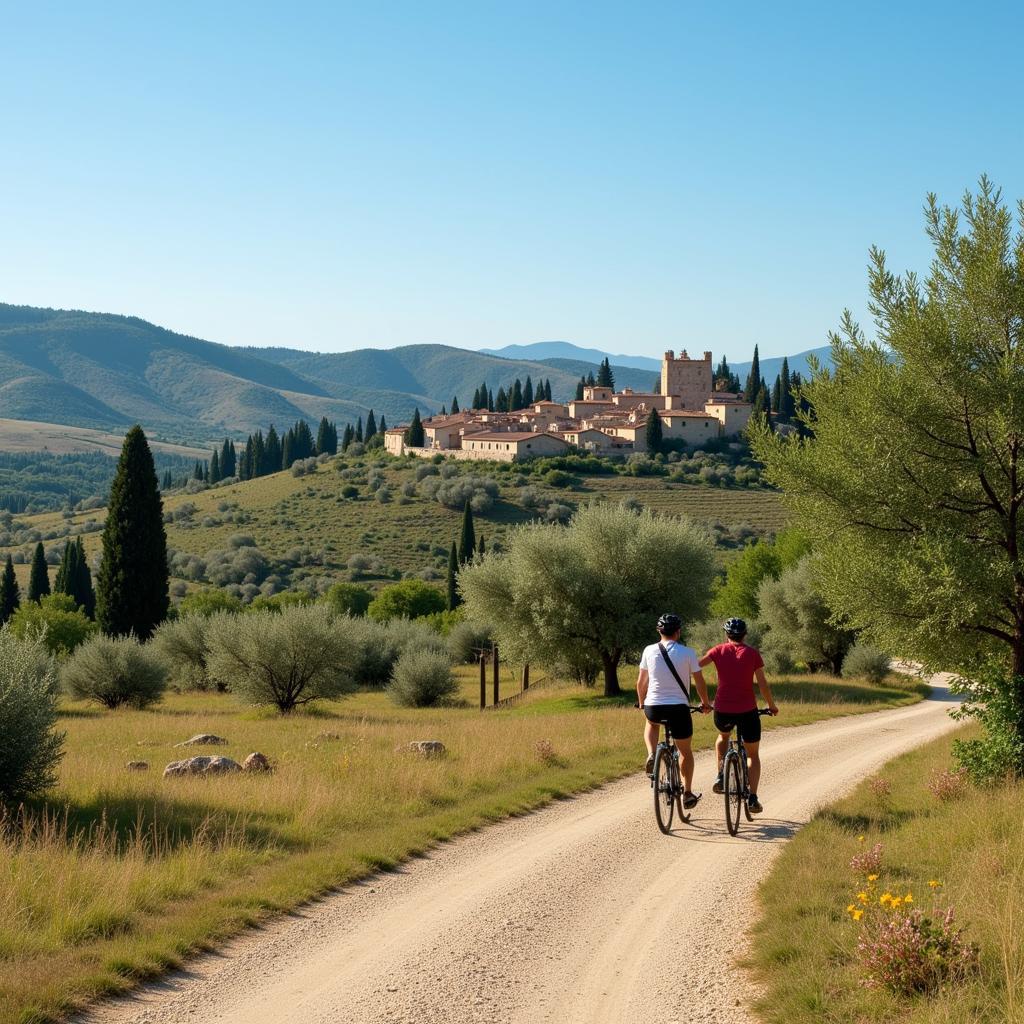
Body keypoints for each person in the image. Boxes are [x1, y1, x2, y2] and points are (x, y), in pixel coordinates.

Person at [699, 617, 778, 815]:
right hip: (747, 711)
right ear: (745, 635)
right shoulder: (752, 654)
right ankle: (752, 797)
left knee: (723, 737)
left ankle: (720, 775)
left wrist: (704, 699)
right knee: (753, 754)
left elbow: (696, 666)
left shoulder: (717, 650)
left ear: (726, 635)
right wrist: (771, 705)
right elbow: (762, 684)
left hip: (723, 709)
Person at [637, 612, 712, 810]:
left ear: (659, 631)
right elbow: (699, 682)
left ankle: (652, 754)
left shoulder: (648, 650)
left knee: (651, 723)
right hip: (679, 709)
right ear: (678, 632)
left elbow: (641, 682)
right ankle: (687, 793)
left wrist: (642, 703)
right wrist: (705, 703)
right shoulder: (688, 653)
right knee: (685, 751)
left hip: (654, 706)